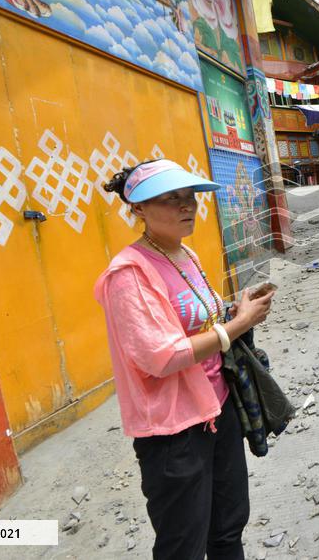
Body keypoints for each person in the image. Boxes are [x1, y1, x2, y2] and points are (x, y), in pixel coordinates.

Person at [93, 159, 274, 560]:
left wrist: (232, 311)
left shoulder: (183, 253)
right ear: (137, 208)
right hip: (173, 430)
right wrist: (239, 326)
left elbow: (196, 321)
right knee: (183, 545)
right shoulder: (127, 275)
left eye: (189, 197)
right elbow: (162, 356)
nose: (186, 206)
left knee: (228, 527)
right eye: (170, 198)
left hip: (218, 407)